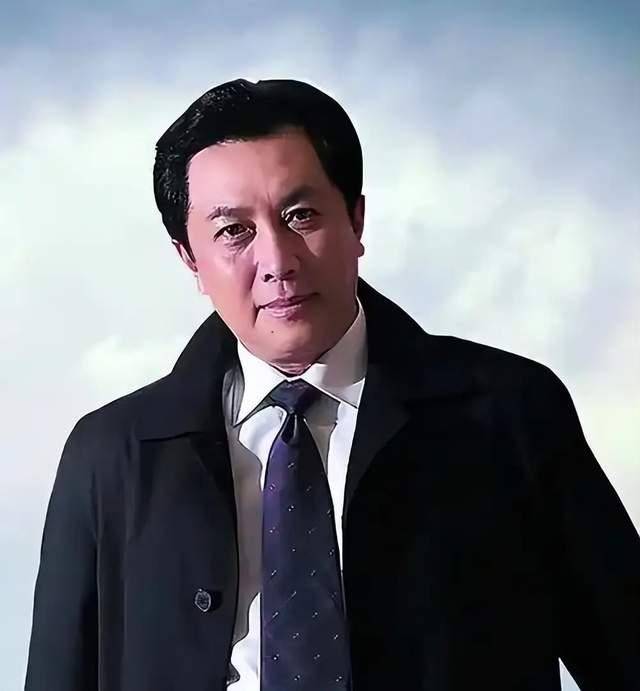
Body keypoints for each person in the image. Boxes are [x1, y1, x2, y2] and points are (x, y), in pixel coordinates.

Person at [24, 78, 640, 691]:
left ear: (356, 220)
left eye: (301, 215)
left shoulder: (510, 411)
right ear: (190, 258)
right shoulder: (110, 455)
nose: (278, 262)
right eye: (234, 231)